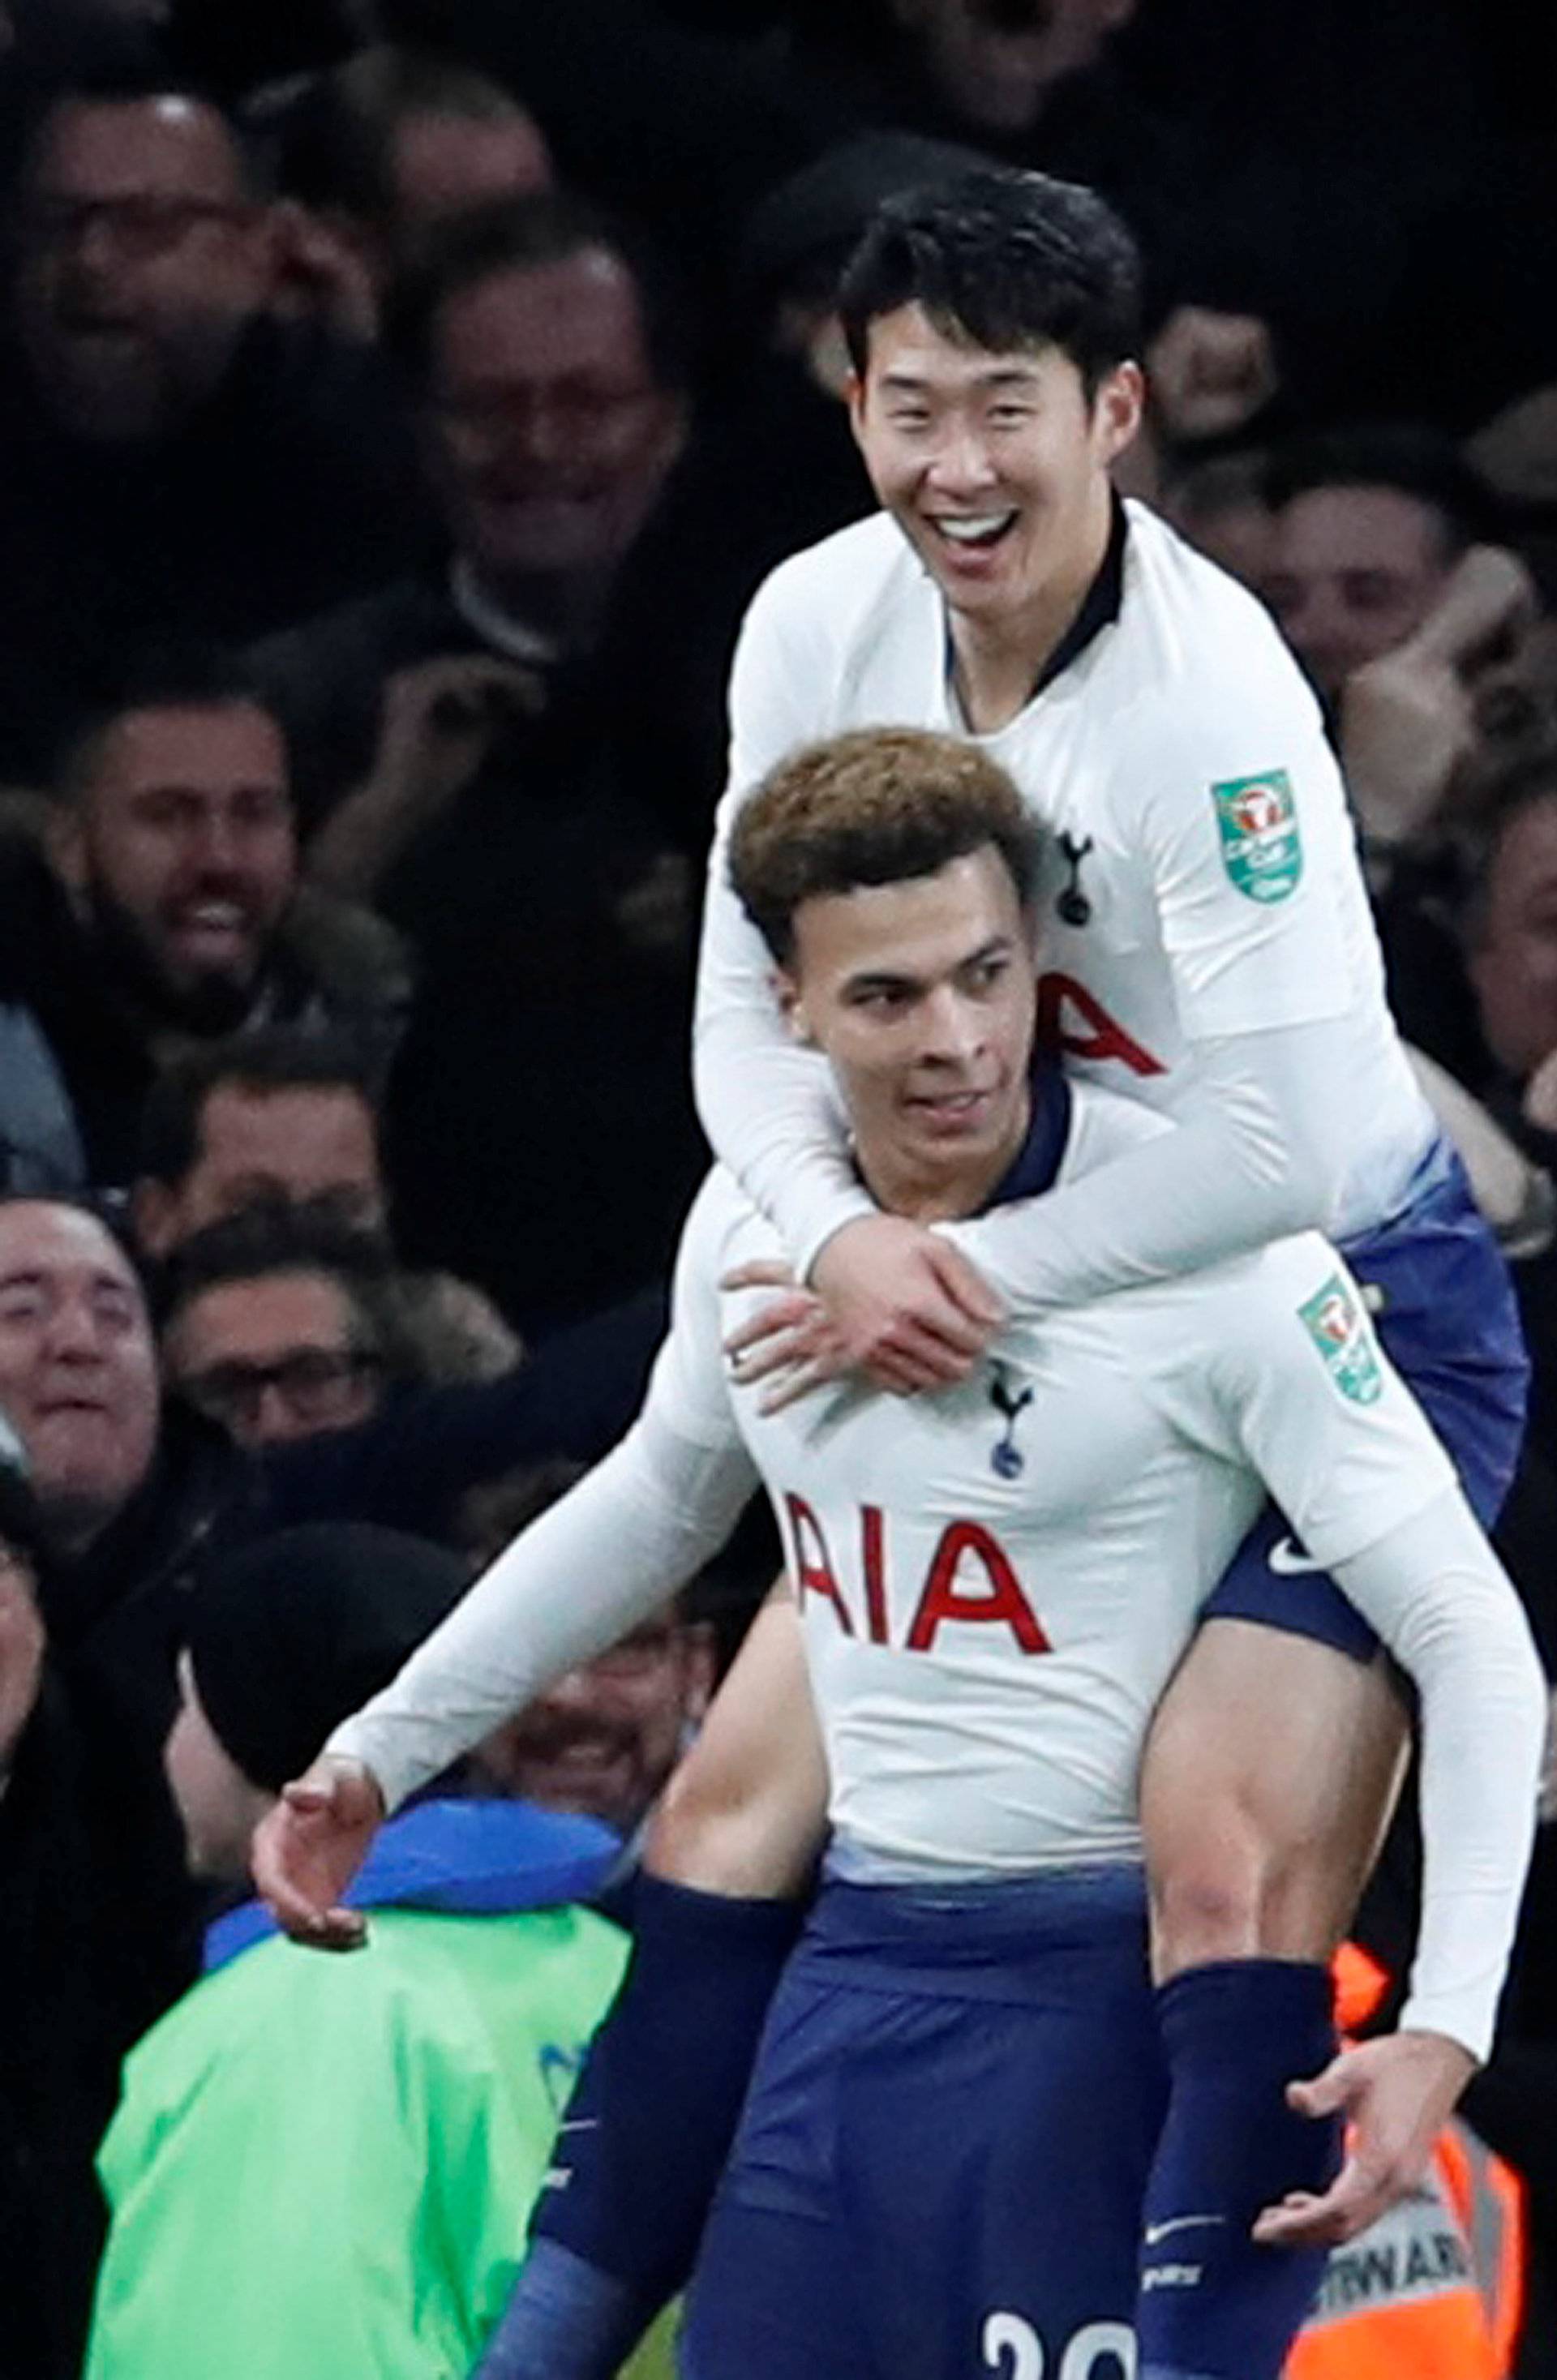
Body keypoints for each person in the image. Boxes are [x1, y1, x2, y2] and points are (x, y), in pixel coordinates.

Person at [255, 727, 1544, 2380]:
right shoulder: (752, 1222)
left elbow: (1470, 1637)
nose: (955, 1041)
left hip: (1107, 2024)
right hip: (853, 1995)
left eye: (984, 976)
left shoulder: (1217, 1254)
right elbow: (658, 1499)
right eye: (886, 999)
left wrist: (1445, 2020)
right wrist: (381, 1752)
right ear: (787, 1007)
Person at [257, 192, 709, 1333]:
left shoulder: (808, 669)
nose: (542, 448)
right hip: (429, 1324)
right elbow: (210, 1051)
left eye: (588, 401)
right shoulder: (303, 702)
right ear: (420, 427)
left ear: (668, 421)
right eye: (490, 408)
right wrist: (370, 831)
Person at [80, 1522, 641, 2380]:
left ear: (268, 1735)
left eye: (190, 1703)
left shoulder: (288, 2023)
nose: (170, 1744)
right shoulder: (615, 1959)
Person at [0, 64, 430, 783]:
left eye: (147, 227)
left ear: (258, 248)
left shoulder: (362, 446)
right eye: (58, 221)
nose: (90, 260)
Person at [0, 653, 408, 1198]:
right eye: (168, 814)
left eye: (255, 812)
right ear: (68, 845)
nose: (220, 859)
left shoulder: (376, 1025)